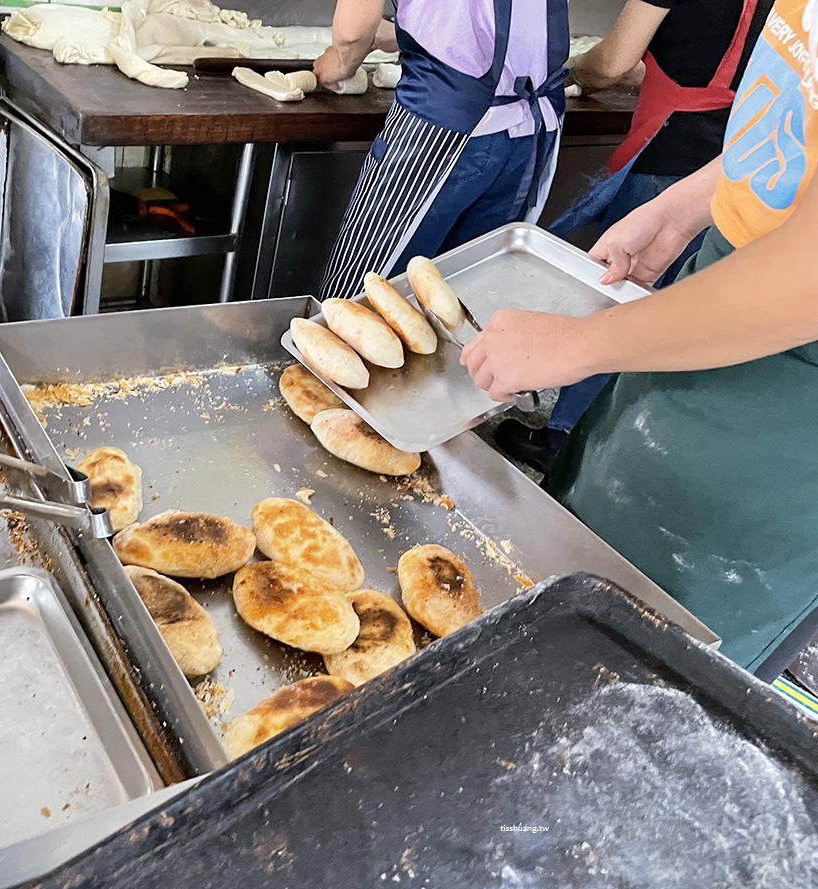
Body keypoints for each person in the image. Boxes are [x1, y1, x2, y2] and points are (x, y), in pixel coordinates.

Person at [460, 0, 818, 679]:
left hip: (787, 396)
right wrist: (688, 206)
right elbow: (799, 115)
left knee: (639, 668)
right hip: (720, 299)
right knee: (563, 578)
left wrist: (578, 343)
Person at [496, 0, 773, 472]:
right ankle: (613, 440)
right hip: (741, 164)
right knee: (672, 304)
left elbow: (611, 65)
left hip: (668, 153)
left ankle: (561, 436)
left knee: (616, 293)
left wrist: (579, 66)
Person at [313, 0, 568, 300]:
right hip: (531, 129)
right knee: (467, 300)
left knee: (362, 299)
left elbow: (353, 32)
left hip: (441, 124)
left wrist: (340, 62)